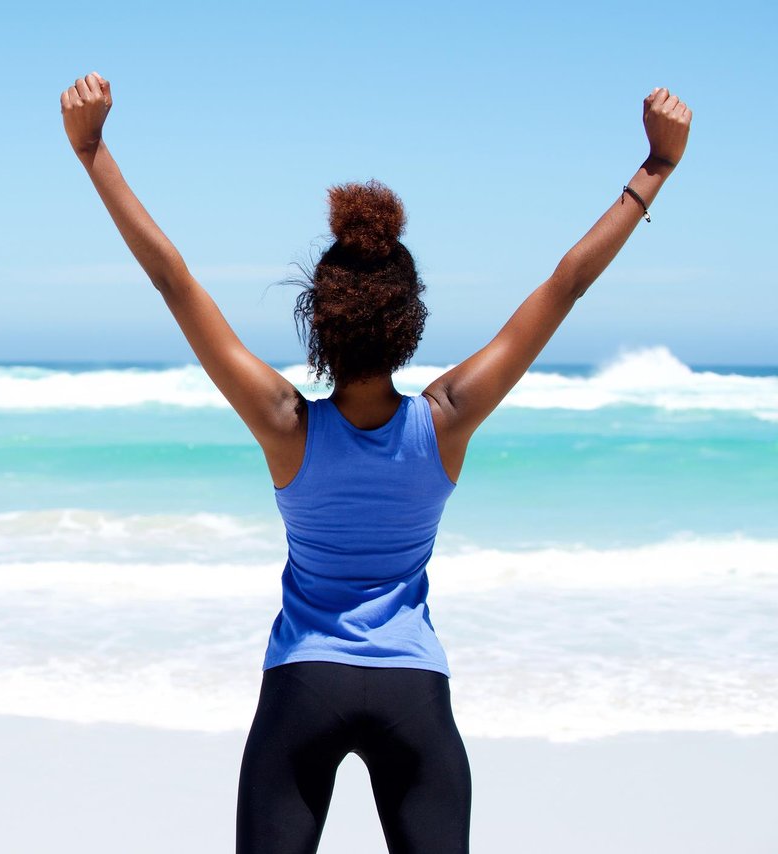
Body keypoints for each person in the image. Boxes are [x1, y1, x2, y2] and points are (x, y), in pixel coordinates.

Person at [60, 72, 692, 854]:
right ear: (408, 319)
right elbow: (564, 286)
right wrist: (655, 168)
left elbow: (173, 281)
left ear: (318, 319)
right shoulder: (446, 420)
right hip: (413, 693)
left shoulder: (284, 425)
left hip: (302, 682)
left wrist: (93, 152)